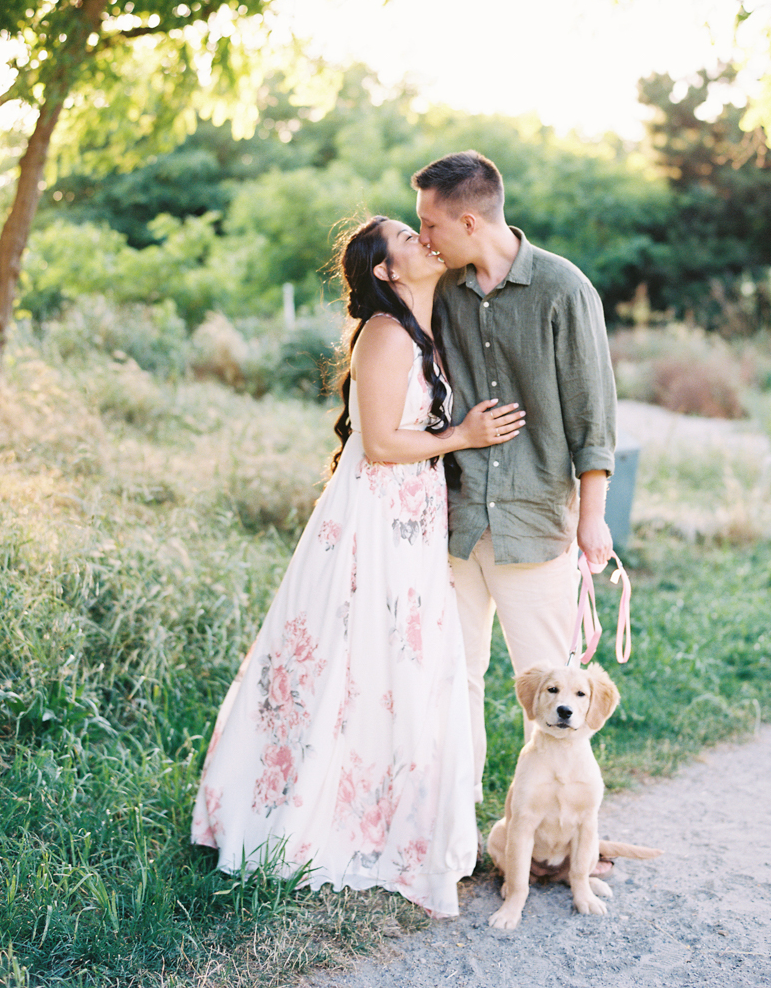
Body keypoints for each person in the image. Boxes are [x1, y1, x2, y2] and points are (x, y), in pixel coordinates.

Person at [190, 215, 525, 918]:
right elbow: (377, 442)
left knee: (399, 666)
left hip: (410, 517)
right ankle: (316, 818)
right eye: (408, 238)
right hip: (374, 519)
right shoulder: (385, 333)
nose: (423, 240)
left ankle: (394, 822)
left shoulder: (424, 331)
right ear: (386, 272)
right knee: (355, 660)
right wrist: (461, 434)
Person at [412, 151, 617, 808]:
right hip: (460, 518)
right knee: (455, 679)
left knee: (556, 698)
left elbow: (593, 412)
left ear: (468, 222)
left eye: (431, 226)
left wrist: (592, 516)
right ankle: (458, 828)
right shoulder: (443, 291)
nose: (424, 239)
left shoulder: (565, 290)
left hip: (535, 524)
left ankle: (558, 831)